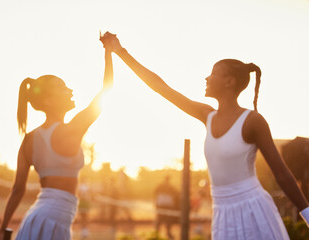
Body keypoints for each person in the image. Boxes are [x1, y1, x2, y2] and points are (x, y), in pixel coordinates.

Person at [100, 33, 309, 239]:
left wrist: (308, 215)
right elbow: (160, 87)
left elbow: (282, 173)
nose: (207, 77)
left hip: (253, 209)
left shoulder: (252, 120)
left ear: (229, 82)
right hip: (222, 212)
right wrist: (120, 51)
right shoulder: (207, 115)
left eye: (213, 73)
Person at [0, 33, 113, 240]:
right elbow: (107, 89)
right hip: (52, 221)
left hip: (35, 220)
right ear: (50, 101)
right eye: (62, 88)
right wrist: (109, 51)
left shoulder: (29, 140)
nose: (70, 90)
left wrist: (3, 228)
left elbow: (17, 189)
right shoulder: (70, 130)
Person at [154, 175, 179, 240]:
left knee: (168, 220)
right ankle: (157, 233)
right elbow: (155, 194)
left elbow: (176, 194)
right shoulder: (162, 186)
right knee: (160, 219)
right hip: (162, 205)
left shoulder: (170, 187)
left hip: (167, 205)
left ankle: (167, 233)